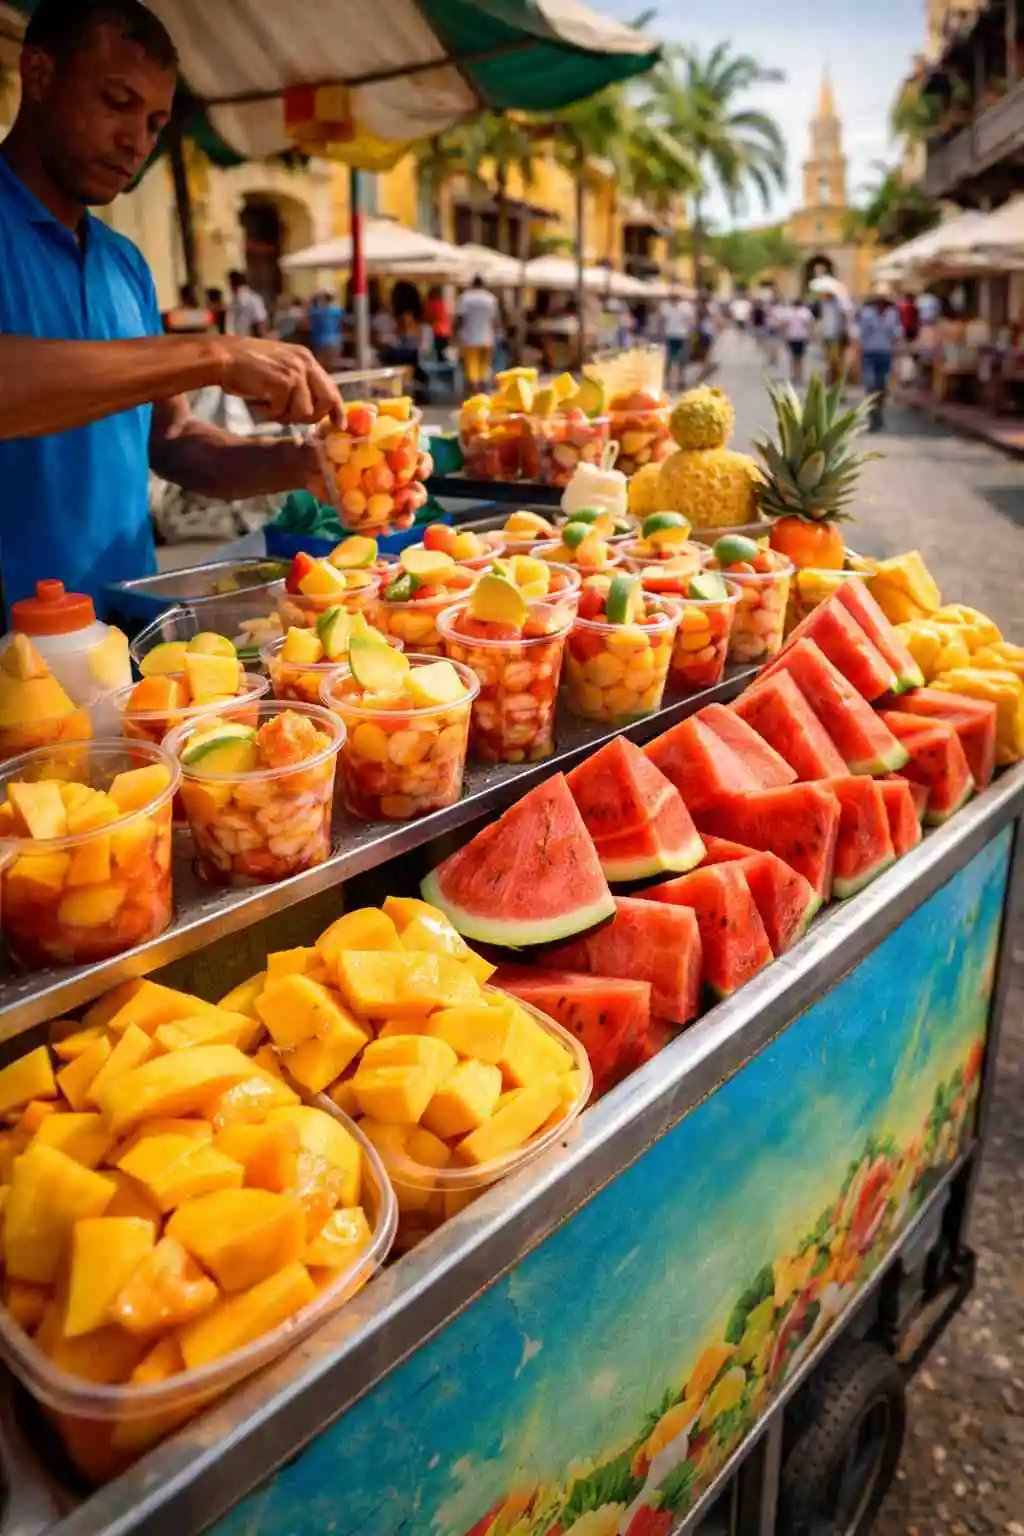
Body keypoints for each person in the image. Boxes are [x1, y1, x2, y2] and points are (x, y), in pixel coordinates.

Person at [0, 0, 341, 608]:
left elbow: (174, 439)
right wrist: (213, 354)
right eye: (117, 102)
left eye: (156, 122)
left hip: (126, 629)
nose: (137, 142)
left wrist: (304, 462)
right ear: (40, 75)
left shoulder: (124, 263)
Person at [856, 292, 903, 430]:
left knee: (882, 387)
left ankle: (879, 415)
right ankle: (872, 417)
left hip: (885, 353)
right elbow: (859, 333)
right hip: (869, 353)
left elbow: (897, 333)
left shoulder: (893, 314)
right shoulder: (866, 313)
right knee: (870, 386)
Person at [455, 275, 499, 391]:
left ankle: (475, 393)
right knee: (484, 367)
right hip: (487, 338)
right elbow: (495, 320)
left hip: (469, 338)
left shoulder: (465, 298)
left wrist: (455, 333)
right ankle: (483, 391)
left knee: (472, 367)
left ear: (472, 284)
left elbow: (460, 318)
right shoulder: (491, 299)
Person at [660, 288, 695, 388]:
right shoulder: (683, 307)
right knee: (673, 360)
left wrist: (691, 331)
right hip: (676, 335)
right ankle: (675, 381)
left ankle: (674, 381)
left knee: (676, 360)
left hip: (677, 335)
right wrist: (691, 331)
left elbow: (662, 320)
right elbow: (690, 321)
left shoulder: (668, 307)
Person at [225, 268, 268, 339]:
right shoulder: (254, 299)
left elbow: (260, 323)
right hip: (243, 342)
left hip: (245, 342)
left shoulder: (252, 300)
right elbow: (261, 321)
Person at [781, 297, 815, 384]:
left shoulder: (800, 312)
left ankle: (798, 375)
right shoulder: (802, 312)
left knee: (798, 357)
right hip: (796, 337)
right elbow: (809, 324)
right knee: (796, 357)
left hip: (798, 337)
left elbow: (809, 324)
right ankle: (796, 375)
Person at [307, 289, 343, 369]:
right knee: (333, 366)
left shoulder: (315, 312)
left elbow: (307, 322)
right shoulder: (337, 311)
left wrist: (313, 300)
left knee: (320, 367)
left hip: (319, 342)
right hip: (335, 341)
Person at [819, 292, 850, 385]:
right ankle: (830, 382)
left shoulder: (839, 305)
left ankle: (837, 384)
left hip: (836, 337)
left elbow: (843, 320)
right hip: (827, 336)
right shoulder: (824, 305)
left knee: (836, 362)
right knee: (829, 361)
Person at [424, 285, 452, 360]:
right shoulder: (442, 303)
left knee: (437, 353)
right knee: (441, 353)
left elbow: (429, 317)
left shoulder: (431, 304)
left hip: (437, 331)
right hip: (445, 331)